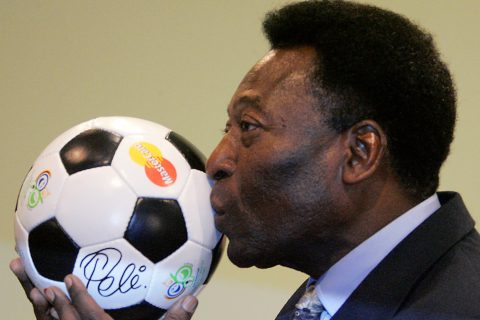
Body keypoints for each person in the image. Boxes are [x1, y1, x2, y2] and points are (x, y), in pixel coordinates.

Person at [10, 0, 480, 319]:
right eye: (225, 130)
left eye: (249, 128)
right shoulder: (329, 295)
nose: (215, 161)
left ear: (359, 154)